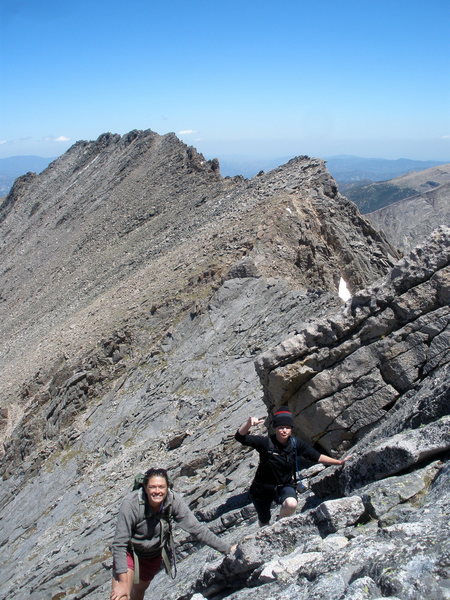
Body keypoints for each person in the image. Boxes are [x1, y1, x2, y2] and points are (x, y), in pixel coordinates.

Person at [111, 467, 232, 600]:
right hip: (130, 553)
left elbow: (197, 529)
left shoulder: (172, 501)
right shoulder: (131, 504)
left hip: (153, 555)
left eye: (161, 487)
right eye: (152, 487)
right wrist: (122, 582)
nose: (157, 491)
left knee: (138, 593)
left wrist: (227, 549)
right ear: (145, 488)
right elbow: (119, 544)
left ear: (167, 487)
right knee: (121, 594)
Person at [235, 406, 351, 526]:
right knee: (264, 520)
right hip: (262, 489)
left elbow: (316, 456)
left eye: (287, 427)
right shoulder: (265, 443)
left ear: (291, 429)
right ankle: (266, 525)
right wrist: (248, 424)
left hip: (284, 485)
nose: (284, 430)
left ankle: (279, 525)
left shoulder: (295, 443)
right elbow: (240, 437)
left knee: (291, 504)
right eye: (280, 427)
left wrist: (338, 462)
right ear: (275, 429)